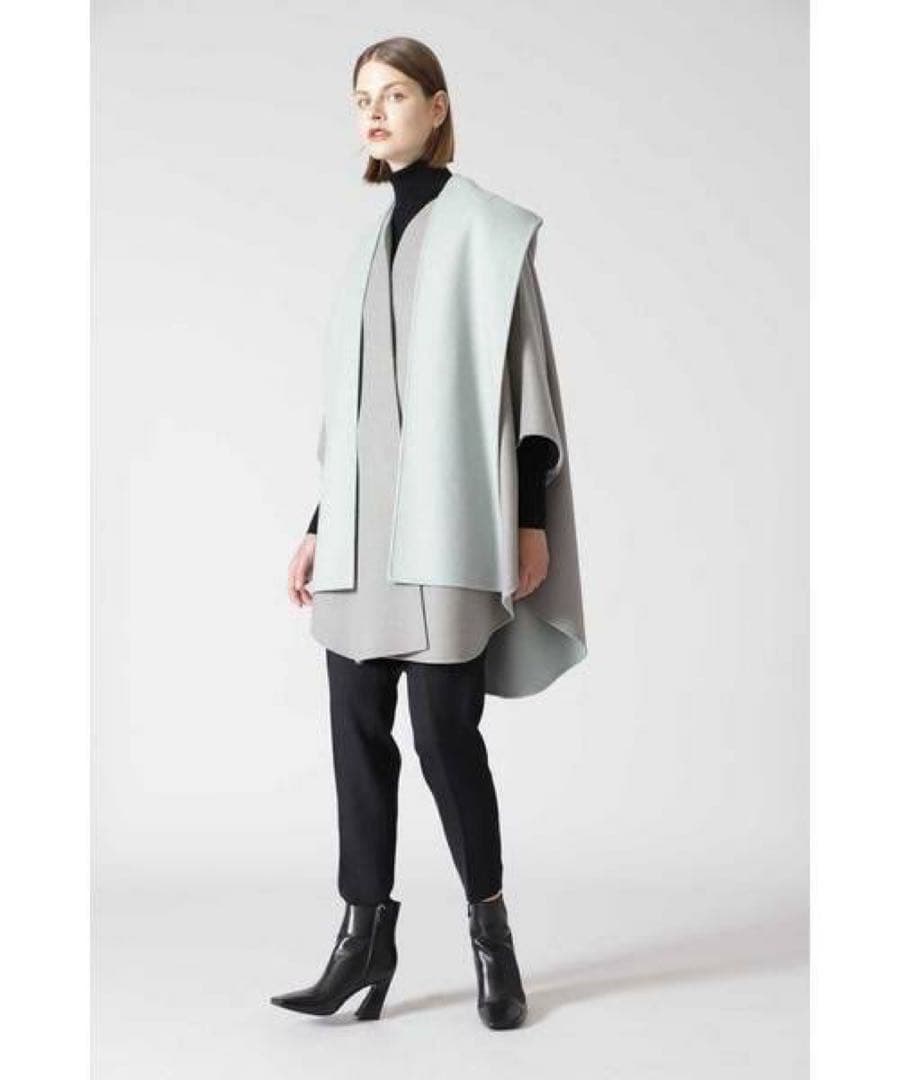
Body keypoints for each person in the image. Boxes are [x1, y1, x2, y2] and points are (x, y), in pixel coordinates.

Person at [270, 36, 587, 1030]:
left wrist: (528, 520)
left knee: (448, 738)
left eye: (395, 93)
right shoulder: (368, 244)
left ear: (438, 107)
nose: (374, 111)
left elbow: (524, 380)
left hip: (451, 528)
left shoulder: (488, 231)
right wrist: (320, 525)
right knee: (354, 734)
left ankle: (492, 937)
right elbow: (357, 413)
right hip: (362, 540)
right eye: (361, 97)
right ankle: (362, 941)